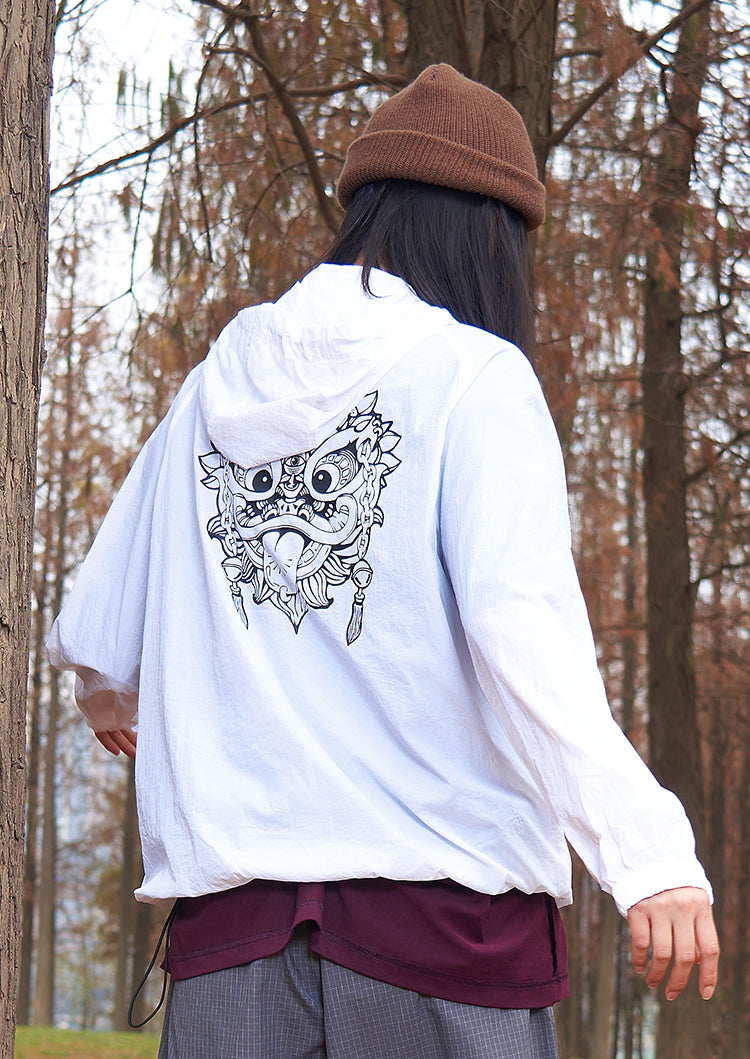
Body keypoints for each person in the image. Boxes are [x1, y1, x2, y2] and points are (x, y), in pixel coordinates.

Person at [49, 64, 718, 1058]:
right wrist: (647, 853)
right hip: (437, 939)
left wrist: (108, 697)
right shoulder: (473, 377)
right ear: (491, 236)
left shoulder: (218, 383)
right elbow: (520, 629)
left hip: (235, 949)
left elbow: (98, 631)